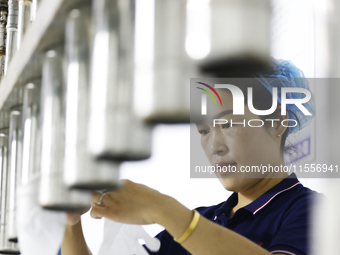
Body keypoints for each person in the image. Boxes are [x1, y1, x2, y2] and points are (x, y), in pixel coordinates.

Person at [60, 59, 321, 255]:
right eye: (204, 131)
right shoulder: (204, 221)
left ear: (277, 123)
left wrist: (162, 208)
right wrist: (70, 222)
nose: (214, 147)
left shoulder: (311, 211)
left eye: (227, 124)